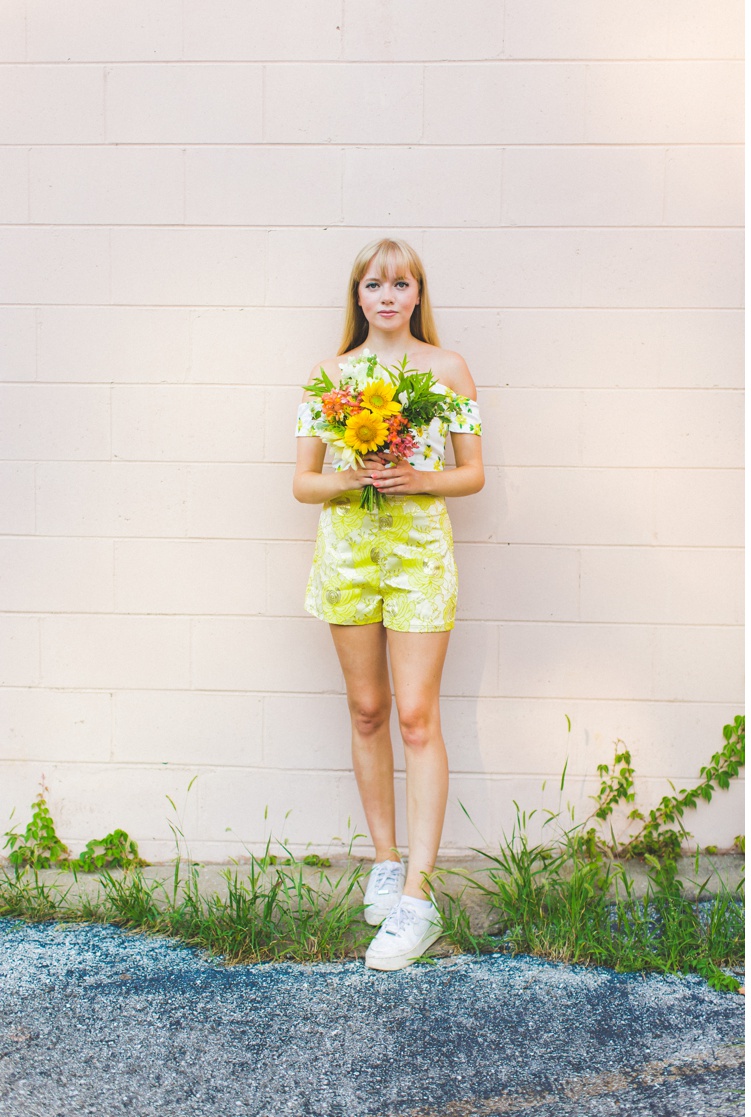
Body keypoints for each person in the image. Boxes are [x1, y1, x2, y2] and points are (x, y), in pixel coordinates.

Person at [292, 238, 484, 971]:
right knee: (367, 709)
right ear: (358, 296)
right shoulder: (330, 374)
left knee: (415, 715)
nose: (387, 295)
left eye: (401, 283)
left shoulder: (447, 368)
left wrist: (415, 477)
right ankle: (383, 858)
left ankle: (418, 897)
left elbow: (473, 474)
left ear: (417, 293)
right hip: (348, 551)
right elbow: (304, 483)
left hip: (418, 555)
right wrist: (355, 477)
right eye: (374, 283)